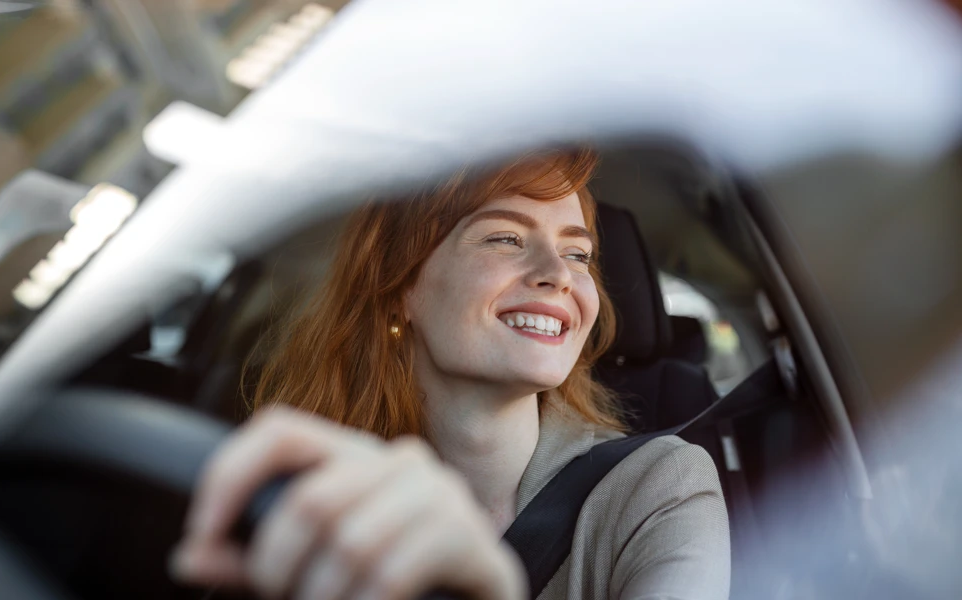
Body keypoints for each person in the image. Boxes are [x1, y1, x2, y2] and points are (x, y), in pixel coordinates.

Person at [170, 149, 730, 600]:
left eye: (578, 254)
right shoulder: (310, 497)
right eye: (506, 237)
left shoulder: (662, 486)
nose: (558, 274)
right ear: (401, 291)